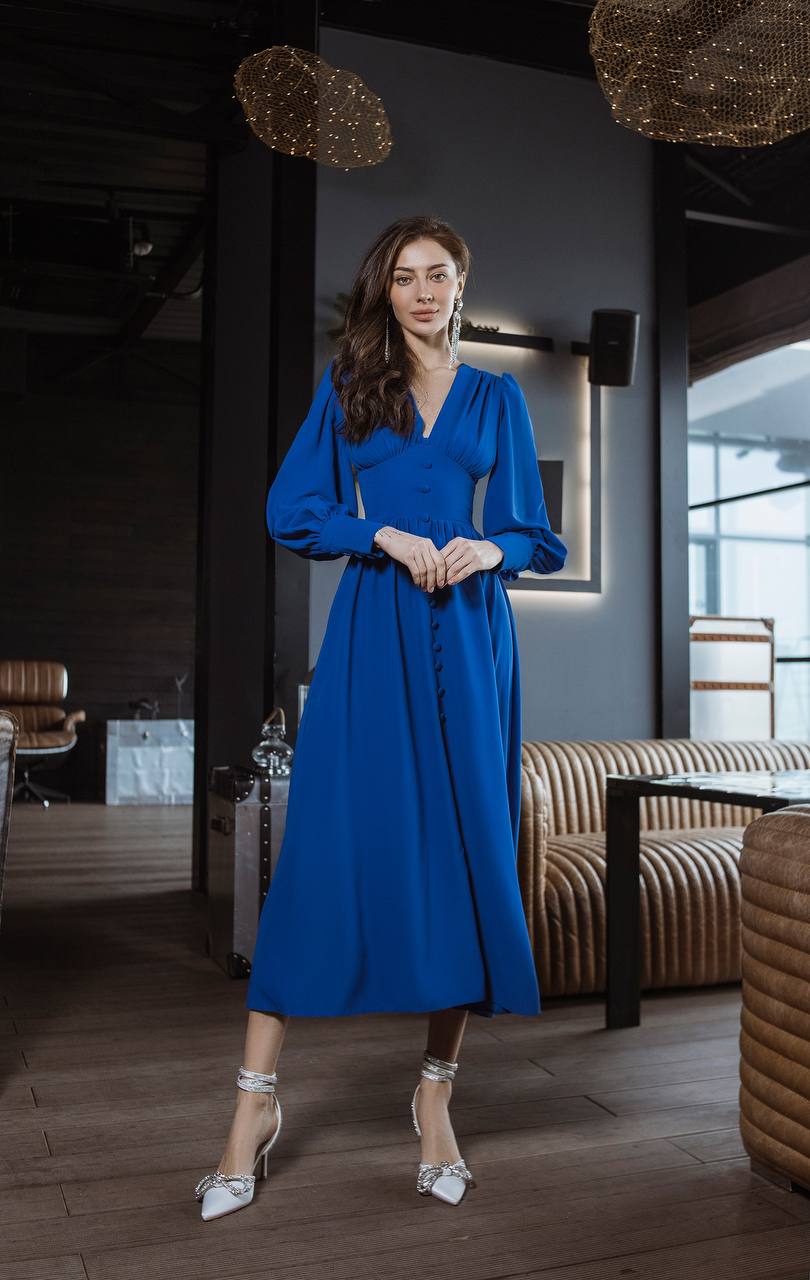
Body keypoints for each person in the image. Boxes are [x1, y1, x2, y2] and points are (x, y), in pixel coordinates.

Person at [194, 215, 568, 1221]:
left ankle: (435, 1096)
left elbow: (537, 531)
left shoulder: (497, 395)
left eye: (436, 273)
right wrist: (385, 534)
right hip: (374, 635)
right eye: (402, 275)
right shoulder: (352, 385)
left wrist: (489, 551)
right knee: (322, 854)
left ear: (460, 284)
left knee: (468, 856)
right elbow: (293, 509)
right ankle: (252, 1111)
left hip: (473, 640)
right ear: (385, 288)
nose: (419, 289)